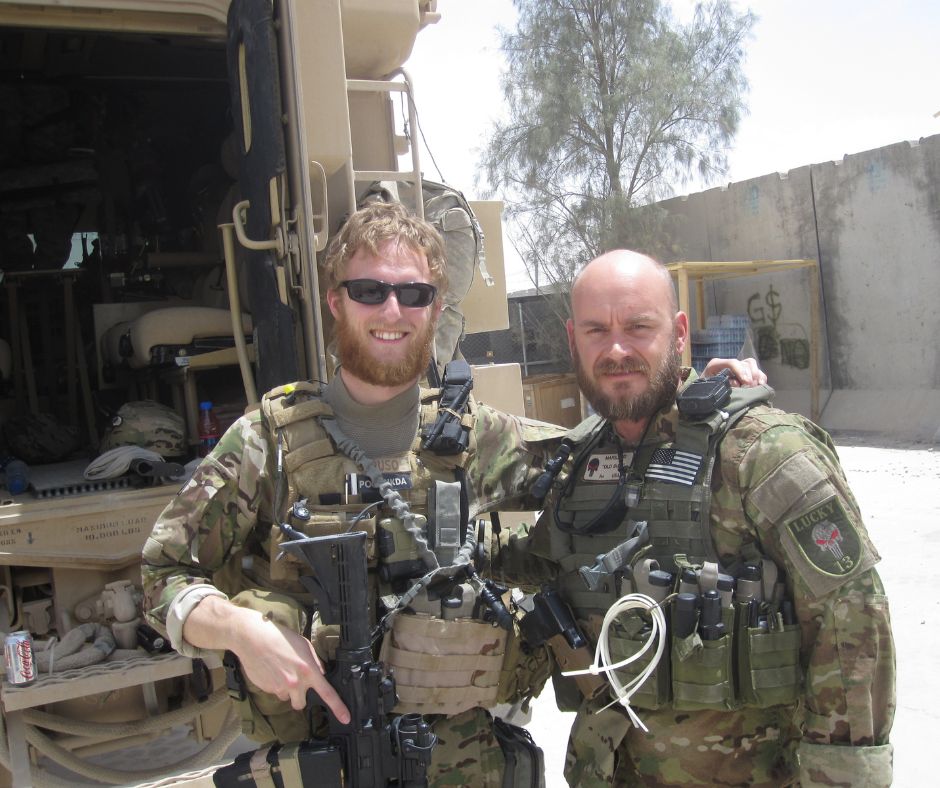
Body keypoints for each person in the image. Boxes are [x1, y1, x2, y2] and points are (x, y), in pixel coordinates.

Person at [140, 201, 763, 785]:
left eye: (414, 294)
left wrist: (696, 397)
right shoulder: (266, 441)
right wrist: (238, 630)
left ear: (436, 310)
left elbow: (615, 439)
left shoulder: (477, 436)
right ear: (336, 301)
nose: (392, 310)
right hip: (329, 758)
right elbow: (159, 573)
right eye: (369, 291)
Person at [509, 250, 895, 787]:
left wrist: (844, 776)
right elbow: (535, 561)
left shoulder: (758, 450)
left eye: (639, 326)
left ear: (680, 332)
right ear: (573, 340)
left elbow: (852, 616)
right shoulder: (577, 465)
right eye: (597, 331)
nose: (617, 349)